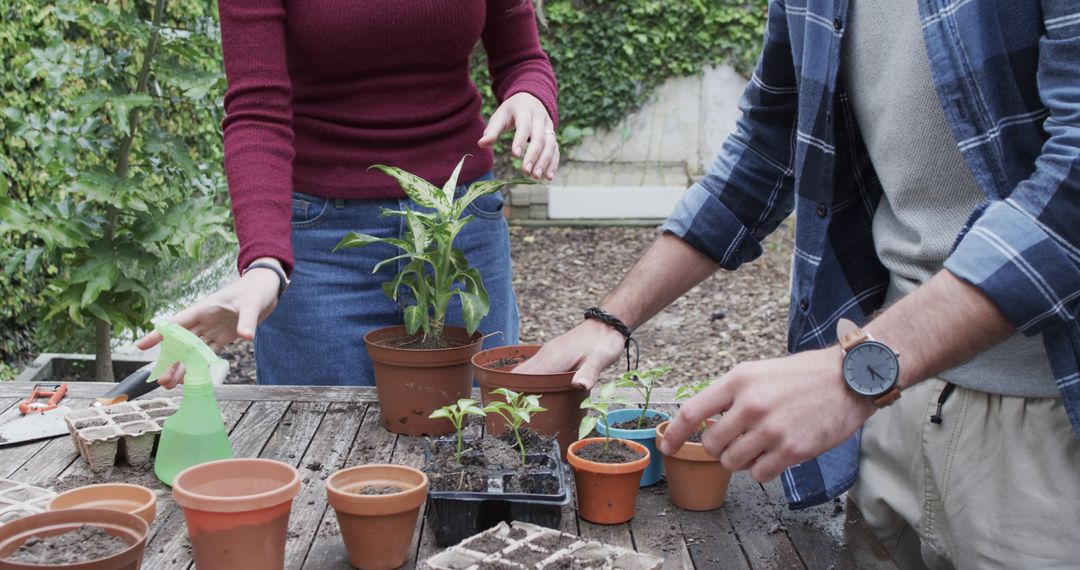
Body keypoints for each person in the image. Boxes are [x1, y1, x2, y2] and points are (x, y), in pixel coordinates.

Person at [517, 1, 1079, 568]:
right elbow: (768, 145)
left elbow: (1071, 187)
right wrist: (611, 318)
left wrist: (855, 372)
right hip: (888, 407)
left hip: (1047, 418)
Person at [139, 1, 559, 387]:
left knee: (478, 443)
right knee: (318, 446)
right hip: (323, 250)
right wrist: (265, 263)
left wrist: (530, 94)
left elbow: (521, 57)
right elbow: (257, 109)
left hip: (459, 234)